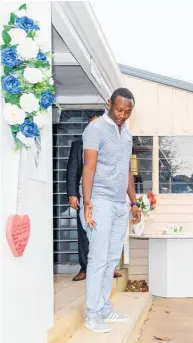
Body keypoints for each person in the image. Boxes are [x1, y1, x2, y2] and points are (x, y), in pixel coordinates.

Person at [80, 88, 141, 333]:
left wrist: (134, 202)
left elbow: (127, 170)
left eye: (127, 112)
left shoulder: (127, 134)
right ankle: (92, 313)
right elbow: (89, 166)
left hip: (119, 204)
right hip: (99, 201)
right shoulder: (95, 129)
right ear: (109, 103)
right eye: (118, 109)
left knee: (111, 259)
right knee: (97, 258)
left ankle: (104, 307)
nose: (122, 115)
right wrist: (87, 203)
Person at [66, 112, 120, 281]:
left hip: (106, 197)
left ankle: (108, 269)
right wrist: (72, 194)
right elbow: (72, 170)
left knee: (106, 234)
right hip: (85, 196)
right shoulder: (78, 144)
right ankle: (85, 268)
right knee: (84, 234)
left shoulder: (110, 143)